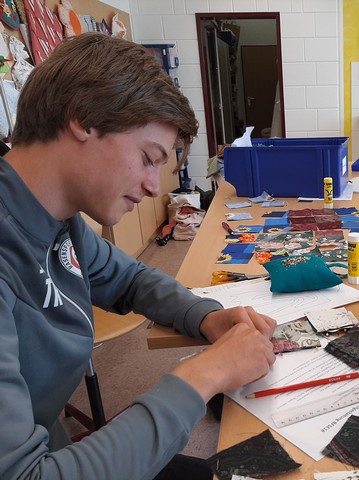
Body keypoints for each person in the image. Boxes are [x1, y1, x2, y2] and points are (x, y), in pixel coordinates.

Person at [0, 33, 277, 480]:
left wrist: (206, 316)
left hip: (49, 444)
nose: (153, 186)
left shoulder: (57, 217)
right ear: (83, 120)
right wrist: (205, 375)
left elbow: (129, 279)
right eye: (149, 158)